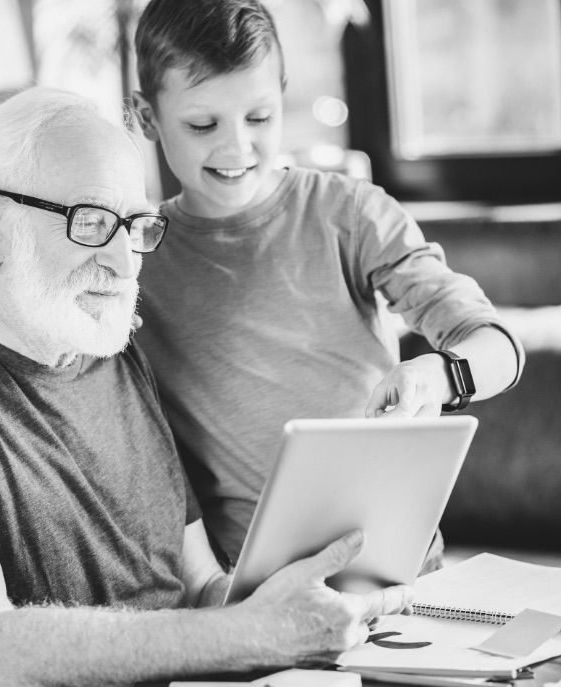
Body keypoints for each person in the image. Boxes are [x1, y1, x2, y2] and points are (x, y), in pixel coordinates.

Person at [0, 87, 412, 687]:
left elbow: (197, 582)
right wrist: (251, 633)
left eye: (135, 225)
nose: (125, 260)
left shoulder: (111, 353)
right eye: (91, 222)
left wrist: (298, 621)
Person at [131, 0, 525, 565]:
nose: (236, 147)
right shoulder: (138, 254)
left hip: (396, 564)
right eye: (202, 124)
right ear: (148, 118)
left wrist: (436, 375)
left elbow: (500, 348)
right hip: (247, 591)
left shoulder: (352, 214)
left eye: (260, 117)